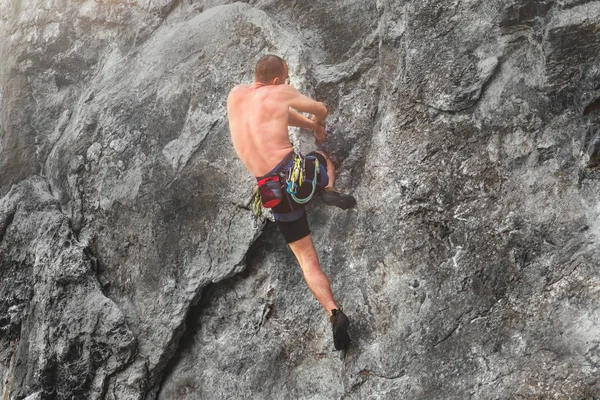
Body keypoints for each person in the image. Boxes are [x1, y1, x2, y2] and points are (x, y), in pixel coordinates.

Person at [227, 54, 356, 350]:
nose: (286, 84)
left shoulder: (236, 96)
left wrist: (308, 126)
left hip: (270, 191)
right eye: (284, 79)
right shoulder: (279, 92)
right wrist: (318, 124)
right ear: (276, 81)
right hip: (296, 177)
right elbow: (320, 108)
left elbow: (275, 114)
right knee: (324, 158)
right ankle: (328, 187)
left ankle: (335, 313)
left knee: (306, 261)